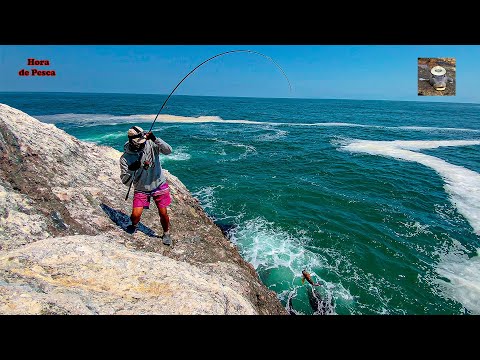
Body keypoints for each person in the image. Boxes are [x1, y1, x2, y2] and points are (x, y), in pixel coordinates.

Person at [119, 126, 173, 245]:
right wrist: (132, 169)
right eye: (138, 143)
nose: (142, 144)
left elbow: (169, 151)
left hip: (159, 184)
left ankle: (166, 233)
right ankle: (135, 224)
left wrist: (155, 139)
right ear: (131, 141)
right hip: (141, 188)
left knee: (163, 212)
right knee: (135, 216)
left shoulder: (151, 143)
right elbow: (125, 181)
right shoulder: (125, 158)